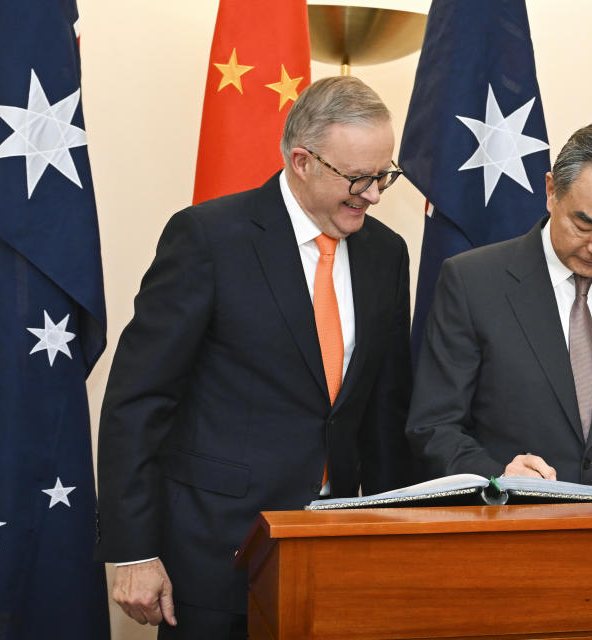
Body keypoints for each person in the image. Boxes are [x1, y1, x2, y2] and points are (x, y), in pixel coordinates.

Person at [96, 76, 414, 639]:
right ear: (302, 161)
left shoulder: (386, 253)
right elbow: (138, 400)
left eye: (385, 174)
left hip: (331, 551)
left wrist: (393, 539)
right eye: (360, 178)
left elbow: (384, 414)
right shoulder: (208, 239)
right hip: (216, 553)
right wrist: (133, 550)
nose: (374, 194)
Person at [405, 120, 592, 495]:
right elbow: (434, 426)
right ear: (551, 192)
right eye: (584, 224)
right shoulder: (472, 282)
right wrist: (501, 475)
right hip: (507, 532)